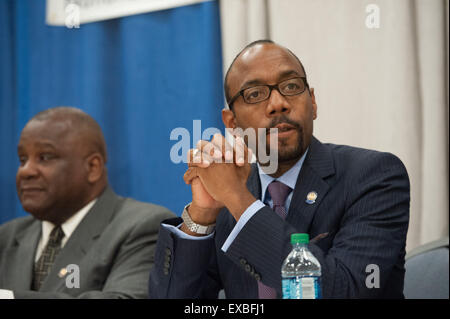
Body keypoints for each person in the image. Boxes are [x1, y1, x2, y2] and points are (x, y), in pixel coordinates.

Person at [148, 40, 410, 299]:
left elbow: (343, 290)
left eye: (291, 86)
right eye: (254, 94)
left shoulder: (375, 176)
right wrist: (202, 217)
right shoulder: (231, 200)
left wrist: (239, 201)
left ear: (313, 102)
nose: (278, 103)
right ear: (232, 123)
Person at [0, 106, 174, 298]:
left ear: (93, 167)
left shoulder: (143, 227)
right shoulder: (7, 236)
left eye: (45, 157)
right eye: (22, 160)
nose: (26, 171)